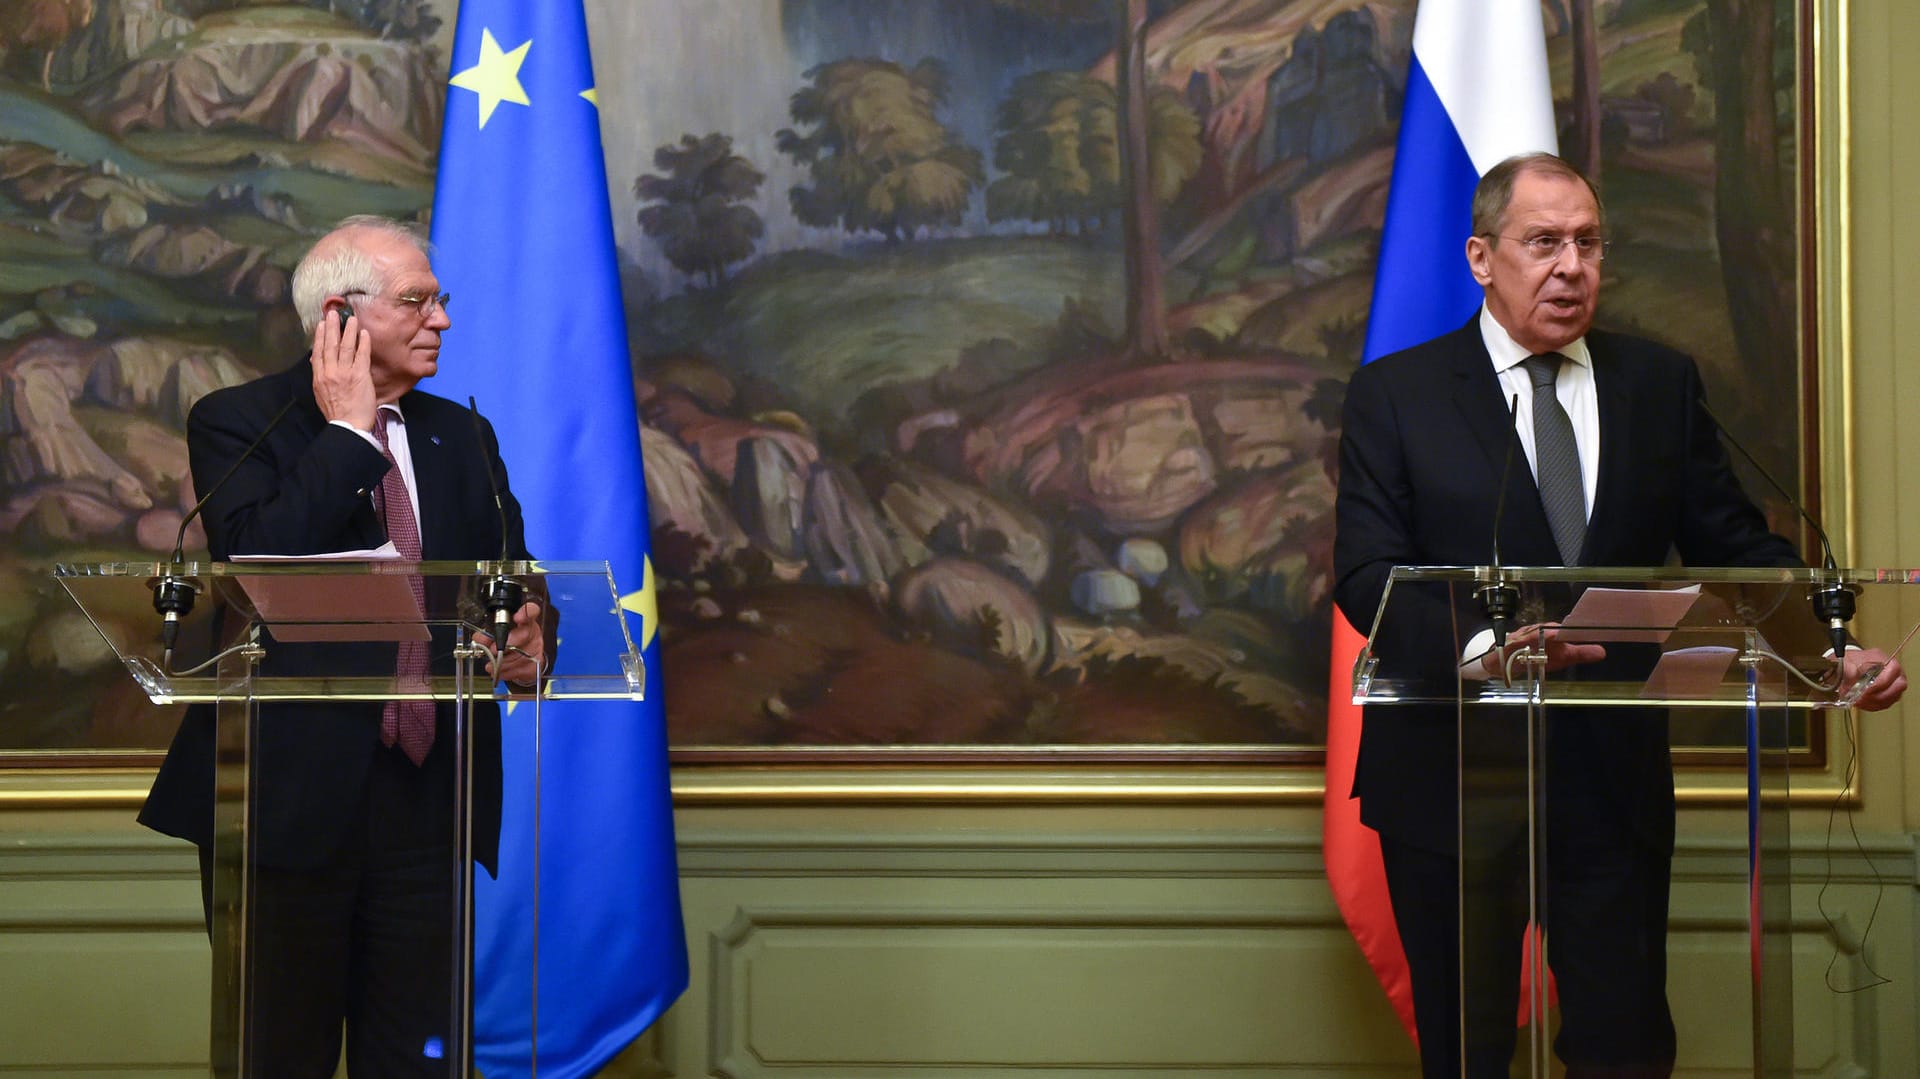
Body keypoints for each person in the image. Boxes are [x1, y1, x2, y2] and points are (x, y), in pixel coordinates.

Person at [1332, 153, 1907, 1078]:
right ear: (1482, 258)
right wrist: (1488, 648)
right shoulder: (1397, 394)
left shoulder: (1658, 384)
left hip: (1610, 781)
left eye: (1588, 243)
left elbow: (1733, 546)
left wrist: (1823, 650)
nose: (1571, 266)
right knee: (1468, 1051)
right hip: (1451, 781)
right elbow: (1366, 571)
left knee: (1625, 1046)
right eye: (1543, 243)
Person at [139, 215, 548, 1076]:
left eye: (440, 301)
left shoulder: (462, 437)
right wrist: (351, 435)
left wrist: (531, 635)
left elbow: (519, 576)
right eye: (418, 301)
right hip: (281, 807)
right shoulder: (239, 422)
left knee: (420, 1061)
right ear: (341, 315)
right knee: (278, 1057)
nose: (442, 319)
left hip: (431, 803)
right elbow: (260, 563)